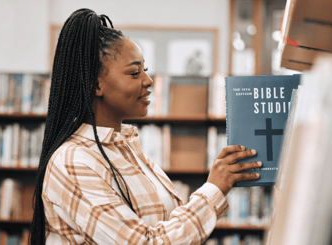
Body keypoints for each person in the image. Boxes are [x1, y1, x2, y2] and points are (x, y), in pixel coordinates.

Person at [29, 8, 262, 245]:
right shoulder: (73, 162)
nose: (148, 81)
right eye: (134, 73)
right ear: (94, 85)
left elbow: (170, 226)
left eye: (145, 71)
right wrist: (213, 190)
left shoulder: (127, 151)